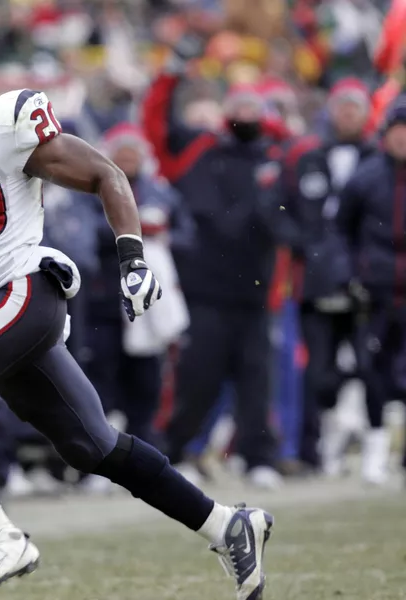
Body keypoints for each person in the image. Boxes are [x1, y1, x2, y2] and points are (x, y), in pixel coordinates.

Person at [0, 20, 273, 600]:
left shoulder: (7, 122)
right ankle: (226, 524)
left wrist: (132, 258)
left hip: (21, 290)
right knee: (92, 446)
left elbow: (105, 174)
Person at [143, 36, 284, 489]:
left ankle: (258, 457)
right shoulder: (200, 149)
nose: (245, 113)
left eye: (252, 106)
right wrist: (173, 71)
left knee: (256, 380)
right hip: (204, 289)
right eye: (237, 105)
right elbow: (155, 126)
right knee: (196, 378)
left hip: (255, 291)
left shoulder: (273, 157)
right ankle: (176, 451)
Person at [275, 78, 378, 477]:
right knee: (315, 370)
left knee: (372, 366)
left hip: (366, 280)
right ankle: (310, 449)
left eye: (355, 107)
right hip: (314, 281)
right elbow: (276, 208)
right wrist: (304, 245)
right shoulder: (307, 156)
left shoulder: (380, 159)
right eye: (342, 107)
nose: (348, 115)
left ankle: (373, 446)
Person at [334, 96, 406, 486]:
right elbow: (341, 230)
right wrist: (350, 275)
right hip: (375, 292)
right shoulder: (365, 177)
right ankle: (375, 455)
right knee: (372, 373)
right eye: (399, 131)